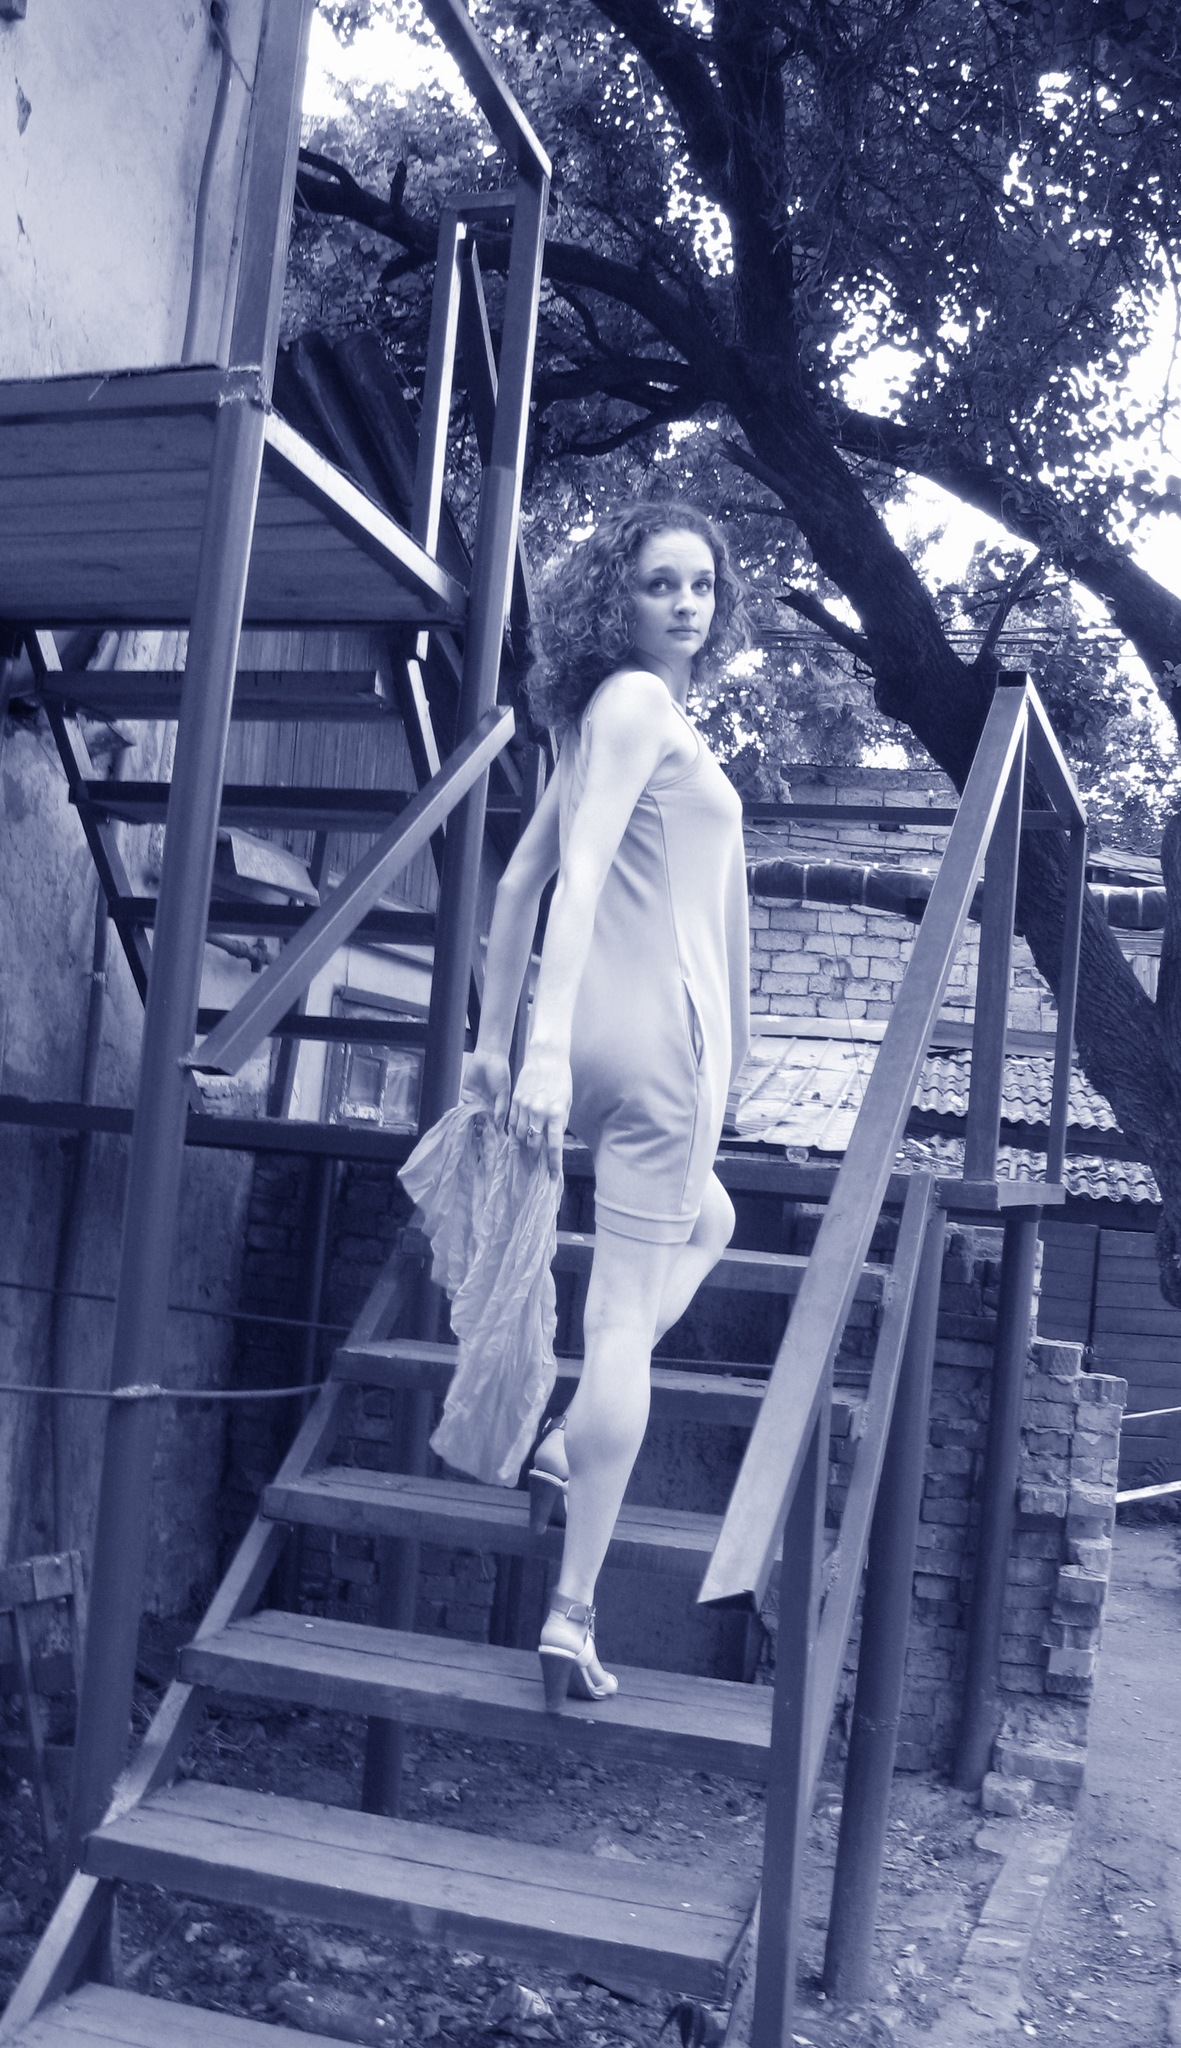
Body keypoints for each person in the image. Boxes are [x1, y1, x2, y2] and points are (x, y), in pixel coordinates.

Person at [463, 500, 751, 1709]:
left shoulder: (598, 718)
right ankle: (572, 1606)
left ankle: (562, 1437)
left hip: (590, 1040)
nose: (684, 604)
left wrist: (497, 1042)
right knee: (622, 1318)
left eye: (699, 585)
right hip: (652, 1044)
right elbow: (574, 882)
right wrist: (528, 1047)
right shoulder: (639, 705)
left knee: (713, 1219)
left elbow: (518, 882)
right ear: (615, 601)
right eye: (657, 584)